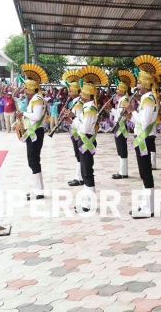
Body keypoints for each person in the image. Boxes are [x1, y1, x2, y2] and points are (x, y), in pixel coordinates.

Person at [126, 55, 161, 218]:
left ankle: (149, 209)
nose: (138, 85)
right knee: (143, 172)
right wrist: (130, 117)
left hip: (145, 140)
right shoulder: (146, 98)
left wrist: (131, 110)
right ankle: (145, 205)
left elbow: (146, 121)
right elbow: (141, 122)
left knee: (146, 172)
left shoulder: (148, 99)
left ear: (147, 84)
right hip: (143, 138)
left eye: (139, 82)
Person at [68, 66, 107, 212]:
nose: (81, 95)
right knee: (85, 171)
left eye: (83, 93)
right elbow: (80, 124)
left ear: (88, 95)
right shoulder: (86, 107)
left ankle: (89, 203)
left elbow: (84, 129)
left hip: (87, 140)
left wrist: (73, 118)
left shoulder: (90, 108)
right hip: (84, 140)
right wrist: (71, 120)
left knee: (87, 172)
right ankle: (86, 201)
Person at [16, 64, 49, 201]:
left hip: (35, 133)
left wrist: (23, 113)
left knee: (33, 161)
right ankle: (38, 189)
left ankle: (39, 190)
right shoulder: (36, 99)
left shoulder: (37, 100)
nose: (24, 91)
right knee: (33, 160)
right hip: (34, 132)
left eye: (25, 88)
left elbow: (35, 116)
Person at [110, 70, 135, 179]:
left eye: (118, 88)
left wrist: (110, 109)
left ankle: (123, 172)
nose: (116, 90)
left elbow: (121, 113)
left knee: (122, 148)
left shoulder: (124, 99)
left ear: (122, 90)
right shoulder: (121, 99)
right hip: (118, 125)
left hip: (120, 126)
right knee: (120, 148)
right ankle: (122, 170)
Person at [63, 70, 85, 187]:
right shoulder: (73, 102)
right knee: (77, 153)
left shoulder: (79, 104)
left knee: (79, 153)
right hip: (74, 129)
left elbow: (80, 118)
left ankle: (80, 176)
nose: (69, 93)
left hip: (78, 130)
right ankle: (78, 175)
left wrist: (71, 117)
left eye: (70, 91)